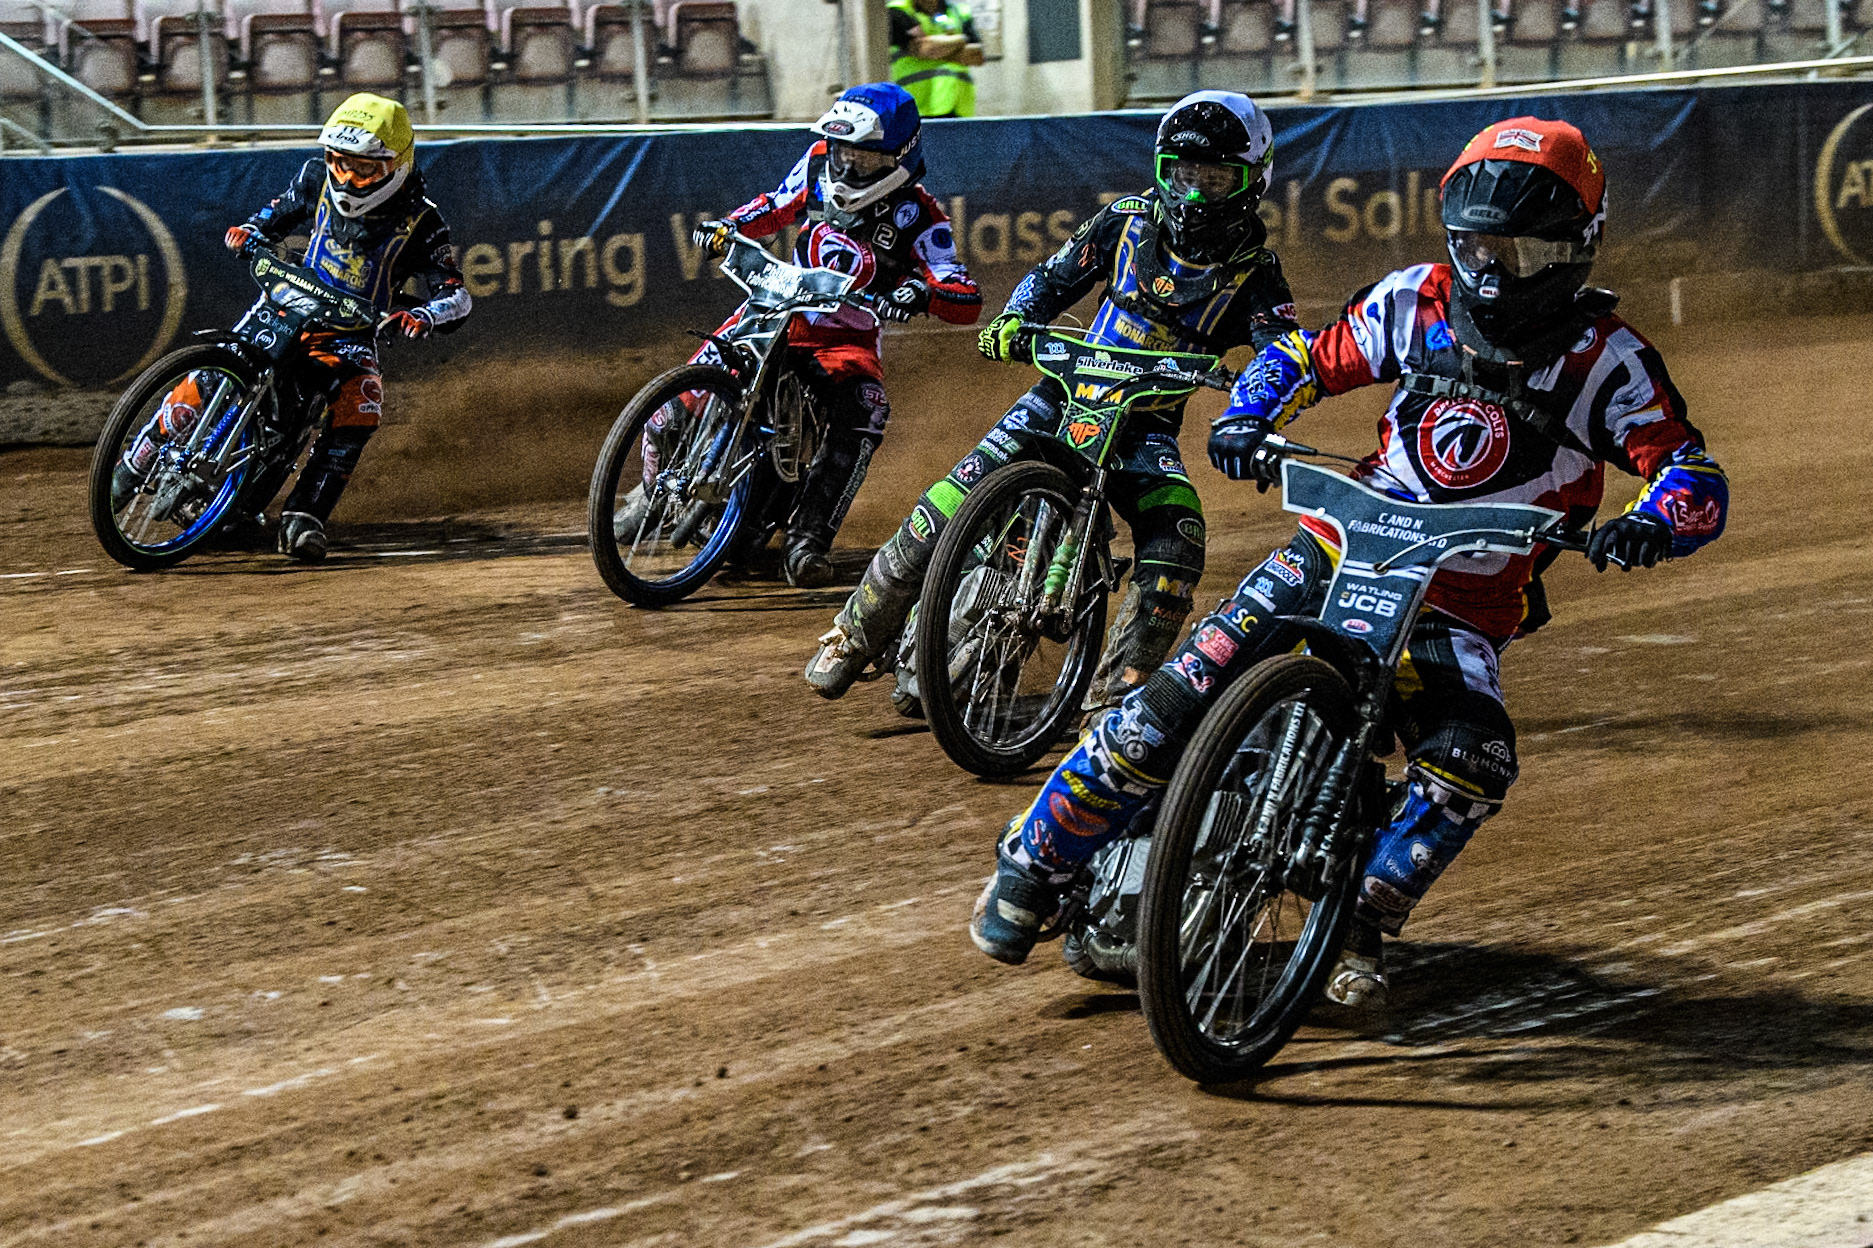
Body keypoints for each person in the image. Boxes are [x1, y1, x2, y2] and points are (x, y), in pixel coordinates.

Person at [969, 117, 1731, 1008]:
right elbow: (1304, 357)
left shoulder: (1609, 363)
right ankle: (1033, 862)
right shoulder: (1415, 300)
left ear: (1576, 249)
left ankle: (1358, 914)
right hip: (1335, 550)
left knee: (1472, 761)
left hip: (1459, 606)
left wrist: (1652, 520)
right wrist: (1247, 415)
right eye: (1477, 246)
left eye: (1519, 252)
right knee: (1172, 698)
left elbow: (1690, 470)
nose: (1492, 271)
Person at [806, 90, 1300, 713]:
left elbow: (1283, 352)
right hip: (1060, 395)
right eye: (1183, 173)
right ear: (1161, 170)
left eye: (1215, 177)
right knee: (947, 499)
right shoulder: (1124, 220)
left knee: (1179, 539)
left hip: (1144, 432)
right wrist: (1017, 319)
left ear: (1253, 180)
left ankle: (1115, 701)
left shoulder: (1259, 272)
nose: (1194, 193)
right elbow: (1051, 277)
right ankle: (853, 631)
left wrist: (1256, 408)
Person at [109, 93, 471, 563]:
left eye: (363, 169)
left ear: (396, 165)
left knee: (363, 403)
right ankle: (135, 460)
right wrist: (251, 232)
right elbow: (271, 217)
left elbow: (457, 294)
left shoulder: (424, 221)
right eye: (340, 164)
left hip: (349, 330)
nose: (348, 178)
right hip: (286, 298)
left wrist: (424, 314)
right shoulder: (314, 178)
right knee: (215, 371)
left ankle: (305, 516)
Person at [686, 81, 981, 588]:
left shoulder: (922, 215)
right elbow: (777, 204)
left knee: (866, 408)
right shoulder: (819, 160)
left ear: (898, 158)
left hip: (847, 337)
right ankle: (649, 488)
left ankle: (807, 539)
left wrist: (924, 294)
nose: (846, 167)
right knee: (701, 371)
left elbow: (962, 290)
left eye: (863, 158)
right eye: (843, 152)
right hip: (780, 307)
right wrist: (727, 226)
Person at [888, 0, 984, 119]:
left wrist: (935, 49)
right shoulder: (897, 11)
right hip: (917, 107)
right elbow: (923, 48)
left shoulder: (959, 12)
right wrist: (962, 39)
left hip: (959, 107)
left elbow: (977, 56)